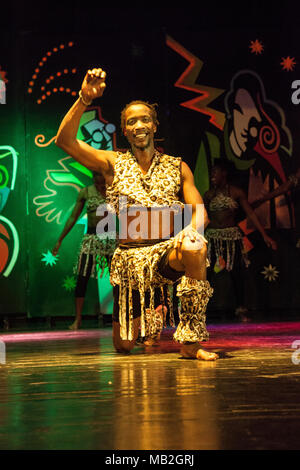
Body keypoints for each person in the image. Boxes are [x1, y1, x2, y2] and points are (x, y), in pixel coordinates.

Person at [55, 67, 218, 360]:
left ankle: (191, 343)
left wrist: (187, 232)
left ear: (155, 126)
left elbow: (200, 215)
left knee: (196, 247)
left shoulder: (177, 166)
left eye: (145, 119)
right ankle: (149, 315)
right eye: (132, 121)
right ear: (125, 130)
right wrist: (84, 98)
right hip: (130, 261)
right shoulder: (112, 163)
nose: (139, 125)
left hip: (168, 254)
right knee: (124, 346)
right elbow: (64, 141)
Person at [203, 159, 277, 321]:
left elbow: (250, 214)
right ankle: (201, 309)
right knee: (207, 273)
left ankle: (240, 309)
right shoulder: (208, 194)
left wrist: (265, 235)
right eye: (211, 172)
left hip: (232, 236)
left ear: (224, 173)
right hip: (212, 236)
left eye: (215, 172)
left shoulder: (236, 192)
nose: (212, 175)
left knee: (237, 272)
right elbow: (203, 217)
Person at [52, 171, 116, 329]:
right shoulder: (86, 192)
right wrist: (60, 240)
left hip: (110, 236)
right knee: (82, 277)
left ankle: (119, 317)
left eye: (101, 177)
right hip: (91, 237)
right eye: (96, 177)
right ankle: (78, 319)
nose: (99, 181)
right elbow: (73, 217)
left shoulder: (115, 190)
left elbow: (127, 215)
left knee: (117, 279)